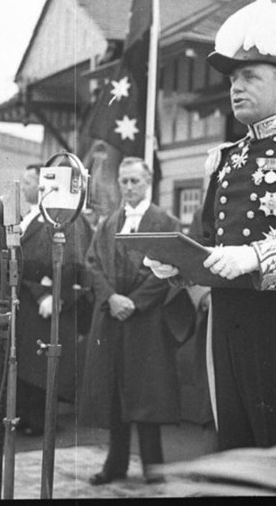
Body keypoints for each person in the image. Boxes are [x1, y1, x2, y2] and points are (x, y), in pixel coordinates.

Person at [145, 0, 276, 451]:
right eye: (234, 78)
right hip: (225, 322)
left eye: (249, 76)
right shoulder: (223, 160)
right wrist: (178, 264)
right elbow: (207, 240)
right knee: (235, 450)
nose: (235, 86)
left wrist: (258, 256)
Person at [80, 156, 186, 485]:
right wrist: (111, 298)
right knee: (114, 395)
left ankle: (154, 470)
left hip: (146, 322)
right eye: (123, 181)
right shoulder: (108, 222)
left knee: (147, 397)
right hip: (111, 319)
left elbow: (169, 268)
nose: (128, 187)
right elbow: (93, 263)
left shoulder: (166, 222)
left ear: (148, 182)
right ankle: (115, 465)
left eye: (134, 181)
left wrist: (134, 303)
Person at [15, 163, 93, 436]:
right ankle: (26, 417)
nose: (26, 187)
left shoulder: (65, 216)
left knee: (41, 363)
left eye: (29, 182)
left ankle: (40, 421)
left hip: (50, 299)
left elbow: (76, 262)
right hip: (28, 296)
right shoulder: (32, 216)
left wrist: (56, 295)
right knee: (26, 362)